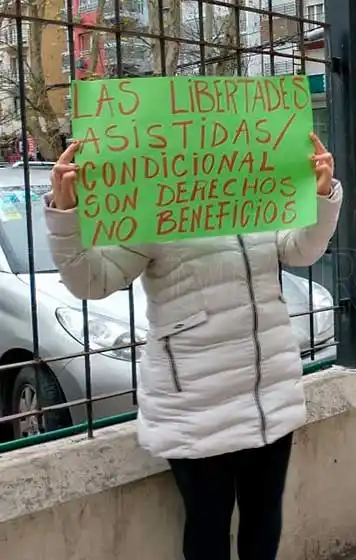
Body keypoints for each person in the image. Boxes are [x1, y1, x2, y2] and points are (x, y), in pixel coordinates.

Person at [44, 133, 341, 560]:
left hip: (267, 396)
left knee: (264, 521)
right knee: (207, 529)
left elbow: (301, 249)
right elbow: (92, 280)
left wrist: (321, 196)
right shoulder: (153, 210)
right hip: (196, 407)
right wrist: (67, 212)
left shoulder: (254, 198)